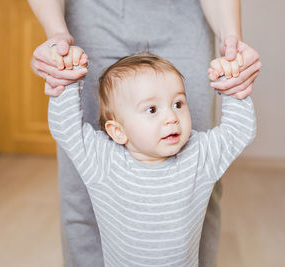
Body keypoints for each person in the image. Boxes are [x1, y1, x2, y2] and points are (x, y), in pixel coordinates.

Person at [28, 1, 262, 266]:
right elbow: (67, 129)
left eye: (178, 104)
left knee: (206, 201)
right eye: (151, 109)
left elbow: (238, 130)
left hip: (183, 17)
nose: (171, 117)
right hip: (91, 15)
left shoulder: (200, 156)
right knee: (79, 196)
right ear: (116, 132)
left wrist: (233, 78)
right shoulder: (102, 160)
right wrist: (66, 77)